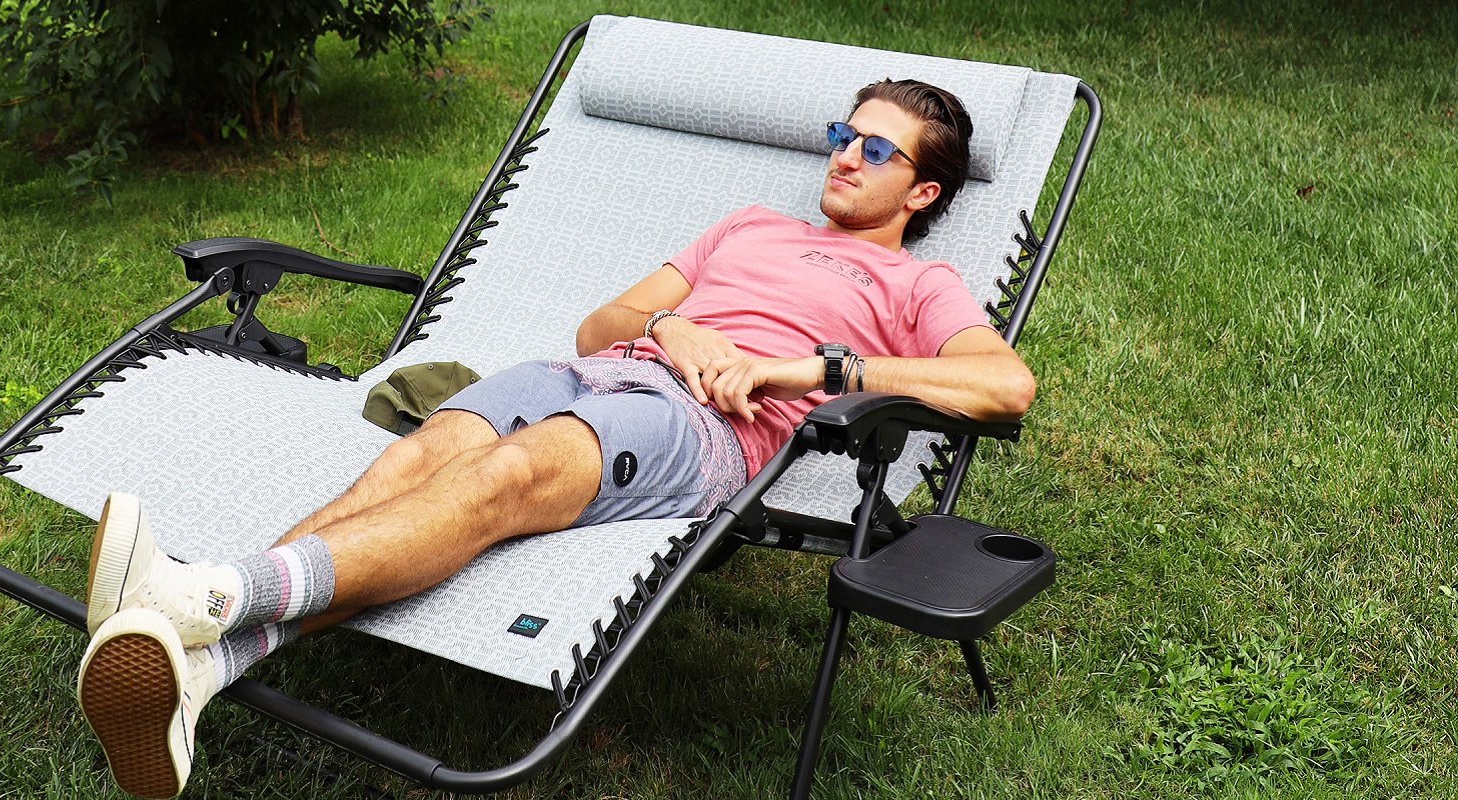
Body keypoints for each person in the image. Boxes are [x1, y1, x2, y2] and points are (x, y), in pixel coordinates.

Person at [71, 79, 1036, 798]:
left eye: (875, 151)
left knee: (506, 475)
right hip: (604, 367)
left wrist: (813, 370)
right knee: (412, 459)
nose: (842, 156)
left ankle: (206, 595)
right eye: (842, 134)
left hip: (702, 425)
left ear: (920, 193)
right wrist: (670, 326)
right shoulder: (744, 226)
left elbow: (1005, 387)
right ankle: (201, 667)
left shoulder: (915, 287)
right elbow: (599, 321)